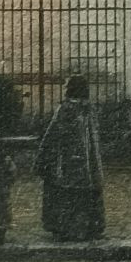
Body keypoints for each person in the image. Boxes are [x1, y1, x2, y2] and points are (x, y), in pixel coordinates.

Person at [35, 75, 107, 242]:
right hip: (88, 165)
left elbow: (52, 136)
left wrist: (43, 159)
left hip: (67, 162)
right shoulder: (90, 110)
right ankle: (87, 228)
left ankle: (66, 228)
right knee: (85, 195)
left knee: (66, 195)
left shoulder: (65, 109)